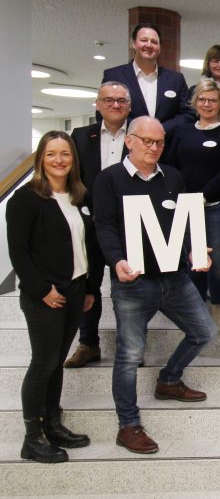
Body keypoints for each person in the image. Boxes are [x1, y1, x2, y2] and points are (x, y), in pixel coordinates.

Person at [94, 116, 218, 454]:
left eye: (159, 142)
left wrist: (193, 246)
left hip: (174, 277)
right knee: (130, 354)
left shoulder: (173, 177)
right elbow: (104, 226)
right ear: (129, 141)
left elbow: (185, 221)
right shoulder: (109, 179)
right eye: (147, 141)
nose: (154, 147)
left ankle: (169, 379)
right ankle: (128, 424)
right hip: (133, 283)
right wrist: (116, 260)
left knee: (205, 332)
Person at [7, 131, 97, 463]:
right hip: (44, 294)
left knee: (57, 361)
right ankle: (32, 437)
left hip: (74, 290)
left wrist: (88, 288)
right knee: (42, 363)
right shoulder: (25, 199)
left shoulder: (78, 196)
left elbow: (87, 247)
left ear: (74, 160)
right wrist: (43, 290)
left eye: (65, 154)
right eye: (51, 154)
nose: (59, 160)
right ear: (40, 159)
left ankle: (53, 423)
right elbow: (19, 254)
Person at [165, 79, 220, 331]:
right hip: (186, 208)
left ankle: (217, 309)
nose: (207, 104)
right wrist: (181, 196)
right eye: (202, 99)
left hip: (215, 207)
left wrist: (203, 194)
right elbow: (170, 166)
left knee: (218, 264)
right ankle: (197, 311)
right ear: (194, 102)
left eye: (212, 99)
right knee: (194, 263)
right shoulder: (182, 132)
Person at [64, 81, 131, 368]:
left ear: (129, 105)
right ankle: (88, 343)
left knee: (126, 287)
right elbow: (70, 175)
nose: (115, 105)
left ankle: (130, 346)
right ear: (98, 104)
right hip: (89, 223)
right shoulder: (80, 137)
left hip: (128, 224)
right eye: (109, 100)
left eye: (120, 100)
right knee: (86, 284)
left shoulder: (140, 134)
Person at [101, 23, 189, 133]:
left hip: (167, 145)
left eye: (154, 42)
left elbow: (187, 114)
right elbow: (105, 112)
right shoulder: (114, 76)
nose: (149, 45)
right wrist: (141, 130)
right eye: (144, 40)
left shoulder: (176, 79)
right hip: (126, 144)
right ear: (133, 43)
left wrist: (161, 129)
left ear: (160, 47)